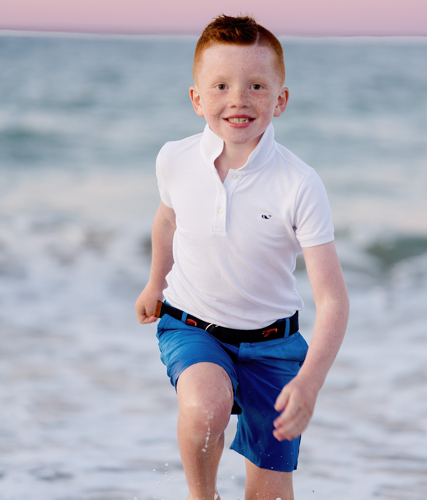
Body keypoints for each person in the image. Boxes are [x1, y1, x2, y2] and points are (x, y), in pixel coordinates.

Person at [135, 14, 349, 500]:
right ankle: (201, 496)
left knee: (269, 493)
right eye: (221, 86)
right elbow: (167, 219)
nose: (238, 99)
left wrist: (310, 383)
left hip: (274, 345)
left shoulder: (299, 183)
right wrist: (155, 282)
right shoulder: (174, 159)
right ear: (197, 99)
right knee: (205, 406)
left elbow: (333, 300)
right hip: (193, 325)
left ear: (280, 100)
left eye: (256, 85)